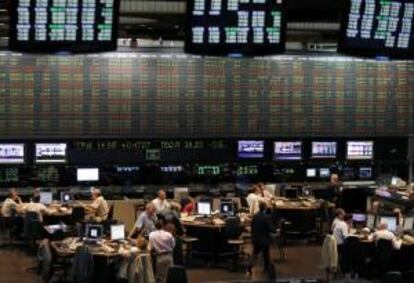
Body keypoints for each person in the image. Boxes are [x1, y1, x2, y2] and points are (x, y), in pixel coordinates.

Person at [249, 202, 276, 276]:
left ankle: (249, 267)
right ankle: (266, 269)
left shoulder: (255, 216)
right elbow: (271, 229)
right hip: (264, 240)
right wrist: (276, 229)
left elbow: (252, 227)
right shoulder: (266, 217)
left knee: (255, 254)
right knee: (266, 255)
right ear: (265, 208)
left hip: (255, 239)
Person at [331, 208, 350, 272]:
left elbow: (332, 229)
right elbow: (346, 237)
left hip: (334, 243)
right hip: (340, 244)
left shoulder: (334, 221)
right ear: (339, 215)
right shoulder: (343, 224)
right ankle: (346, 268)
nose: (344, 215)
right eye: (343, 214)